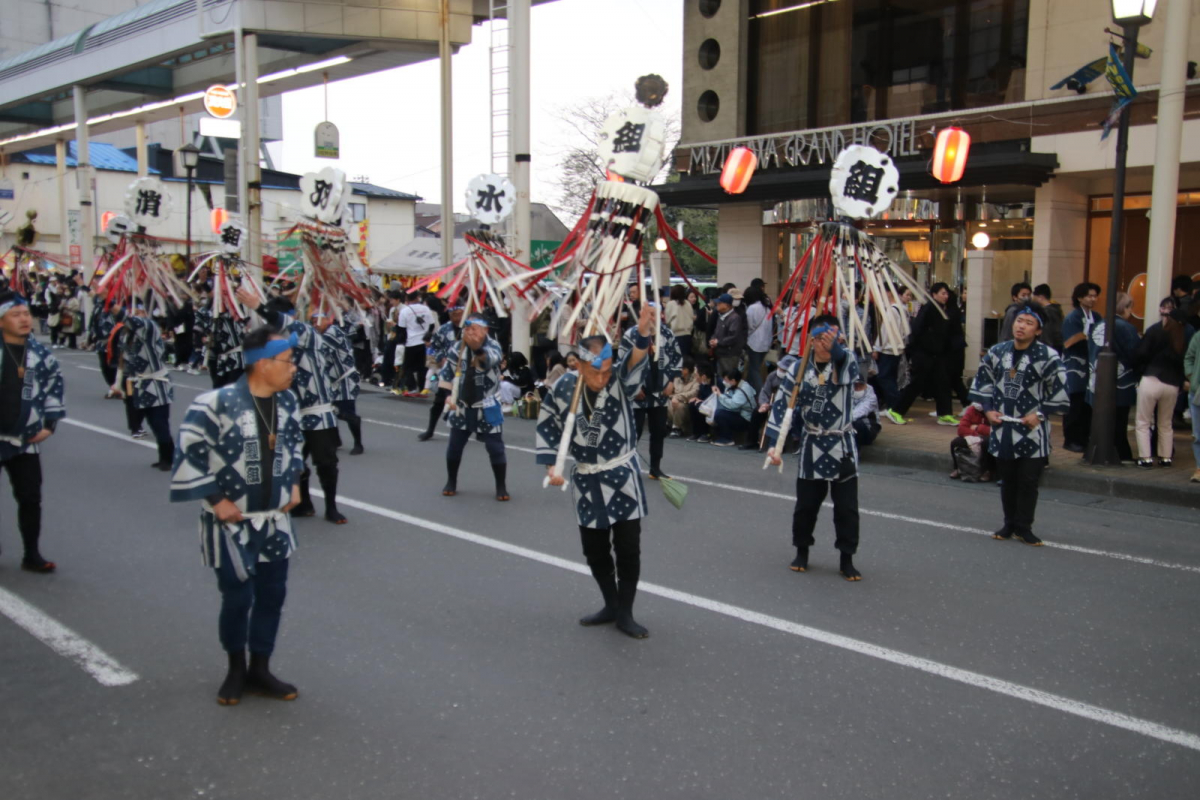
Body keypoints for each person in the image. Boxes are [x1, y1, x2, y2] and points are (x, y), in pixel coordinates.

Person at [171, 326, 305, 706]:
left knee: (272, 595)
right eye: (287, 360)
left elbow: (294, 446)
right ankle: (235, 667)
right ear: (262, 364)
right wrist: (216, 499)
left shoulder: (288, 403)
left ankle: (260, 667)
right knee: (237, 597)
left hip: (274, 520)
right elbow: (189, 454)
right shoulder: (214, 403)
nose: (293, 368)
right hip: (230, 522)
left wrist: (294, 480)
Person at [536, 303, 656, 639]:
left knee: (629, 548)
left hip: (621, 475)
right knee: (595, 550)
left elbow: (634, 363)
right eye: (595, 371)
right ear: (578, 363)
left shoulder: (618, 381)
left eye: (606, 370)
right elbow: (548, 428)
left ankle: (626, 612)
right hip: (587, 479)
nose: (602, 378)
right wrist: (552, 466)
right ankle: (611, 604)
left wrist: (644, 332)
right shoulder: (563, 389)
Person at [766, 315, 863, 581]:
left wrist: (836, 349)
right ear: (810, 340)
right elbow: (782, 406)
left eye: (829, 338)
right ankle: (802, 550)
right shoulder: (799, 369)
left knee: (846, 508)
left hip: (841, 443)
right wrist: (775, 445)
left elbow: (843, 362)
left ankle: (846, 557)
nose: (823, 344)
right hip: (812, 443)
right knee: (806, 506)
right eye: (819, 338)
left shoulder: (846, 360)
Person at [239, 288, 347, 524]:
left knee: (326, 463)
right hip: (289, 413)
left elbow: (279, 321)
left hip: (317, 410)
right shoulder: (273, 346)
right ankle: (304, 503)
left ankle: (331, 507)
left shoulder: (305, 333)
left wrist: (258, 306)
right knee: (292, 461)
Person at [969, 306, 1068, 546]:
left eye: (1028, 323)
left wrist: (1041, 413)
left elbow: (1060, 390)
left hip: (1033, 429)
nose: (1021, 326)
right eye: (1019, 321)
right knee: (1007, 479)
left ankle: (1025, 526)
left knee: (1028, 480)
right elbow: (983, 382)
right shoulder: (996, 352)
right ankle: (1009, 523)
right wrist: (988, 408)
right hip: (1003, 426)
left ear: (1038, 330)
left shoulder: (1048, 356)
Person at [0, 290, 64, 573]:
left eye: (26, 314)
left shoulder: (40, 354)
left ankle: (31, 553)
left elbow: (54, 387)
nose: (24, 319)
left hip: (25, 440)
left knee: (30, 498)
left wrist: (50, 424)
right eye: (16, 315)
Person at [440, 314, 509, 501]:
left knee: (495, 447)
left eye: (474, 329)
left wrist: (477, 349)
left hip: (487, 404)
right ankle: (451, 480)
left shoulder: (493, 345)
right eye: (467, 329)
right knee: (455, 446)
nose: (470, 332)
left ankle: (501, 486)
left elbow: (489, 361)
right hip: (462, 404)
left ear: (485, 330)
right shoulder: (457, 347)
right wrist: (448, 396)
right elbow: (447, 374)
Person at [885, 283, 958, 426]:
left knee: (943, 382)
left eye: (946, 293)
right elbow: (917, 329)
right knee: (916, 383)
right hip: (924, 354)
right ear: (934, 294)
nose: (946, 296)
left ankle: (945, 414)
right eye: (942, 293)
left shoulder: (941, 309)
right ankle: (896, 411)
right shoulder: (929, 308)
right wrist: (915, 350)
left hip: (936, 354)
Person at [622, 317, 681, 479]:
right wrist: (634, 385)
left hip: (660, 390)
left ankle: (655, 468)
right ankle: (626, 466)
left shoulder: (666, 333)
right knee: (635, 431)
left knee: (659, 431)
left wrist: (671, 381)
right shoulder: (631, 334)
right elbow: (623, 362)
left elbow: (676, 357)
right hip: (638, 391)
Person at [119, 303, 175, 471]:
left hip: (156, 384)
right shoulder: (127, 336)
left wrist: (108, 300)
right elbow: (124, 361)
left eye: (140, 311)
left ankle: (169, 458)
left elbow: (130, 320)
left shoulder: (150, 328)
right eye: (134, 312)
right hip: (139, 384)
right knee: (151, 422)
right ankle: (163, 456)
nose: (137, 315)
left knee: (160, 423)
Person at [1134, 303, 1191, 467]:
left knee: (1143, 422)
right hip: (1172, 384)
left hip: (1151, 379)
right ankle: (1165, 457)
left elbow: (1140, 354)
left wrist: (1139, 372)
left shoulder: (1156, 332)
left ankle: (1146, 458)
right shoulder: (1183, 338)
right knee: (1165, 423)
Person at [1086, 292, 1140, 464]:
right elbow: (1135, 354)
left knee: (1099, 419)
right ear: (1125, 308)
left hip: (1096, 380)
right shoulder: (1125, 327)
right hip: (1120, 383)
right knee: (1119, 421)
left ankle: (1098, 448)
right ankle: (1121, 453)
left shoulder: (1097, 325)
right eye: (1130, 307)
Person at [1060, 282, 1102, 452]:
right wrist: (1085, 338)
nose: (1093, 299)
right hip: (1075, 364)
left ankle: (1084, 438)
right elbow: (1070, 342)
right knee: (1074, 403)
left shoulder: (1097, 316)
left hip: (1090, 364)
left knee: (1087, 405)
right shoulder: (1073, 317)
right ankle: (1071, 439)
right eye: (1089, 295)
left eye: (1095, 295)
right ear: (1079, 298)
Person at [316, 312, 364, 456]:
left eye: (317, 320)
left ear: (327, 319)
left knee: (346, 413)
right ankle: (335, 441)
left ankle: (358, 443)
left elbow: (319, 352)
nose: (315, 324)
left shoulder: (332, 333)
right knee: (330, 410)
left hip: (346, 379)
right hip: (334, 380)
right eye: (313, 321)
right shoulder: (326, 333)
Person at [418, 305, 465, 441]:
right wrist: (440, 358)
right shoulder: (444, 329)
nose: (456, 317)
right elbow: (435, 346)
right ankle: (430, 430)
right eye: (453, 314)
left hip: (465, 369)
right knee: (439, 401)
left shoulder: (469, 329)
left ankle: (479, 430)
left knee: (471, 400)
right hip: (448, 370)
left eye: (459, 314)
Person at [742, 355, 798, 452]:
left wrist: (773, 406)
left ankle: (779, 445)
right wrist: (764, 404)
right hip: (769, 404)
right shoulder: (772, 376)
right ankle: (751, 442)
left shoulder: (794, 382)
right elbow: (764, 391)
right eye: (779, 368)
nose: (780, 370)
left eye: (783, 369)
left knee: (781, 417)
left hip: (785, 406)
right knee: (756, 413)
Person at [871, 286, 911, 411]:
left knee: (884, 377)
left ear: (888, 293)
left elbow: (885, 332)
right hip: (897, 348)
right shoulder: (902, 309)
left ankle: (895, 406)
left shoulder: (892, 310)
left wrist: (877, 348)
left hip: (888, 348)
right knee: (890, 378)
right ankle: (893, 406)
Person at [396, 291, 435, 395]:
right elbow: (432, 325)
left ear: (407, 299)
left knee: (407, 367)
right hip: (424, 343)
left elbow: (401, 329)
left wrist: (402, 341)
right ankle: (422, 389)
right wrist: (427, 337)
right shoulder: (426, 309)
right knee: (422, 367)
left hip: (411, 342)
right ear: (418, 297)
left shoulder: (405, 311)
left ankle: (411, 387)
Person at [711, 367, 756, 446]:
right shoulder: (733, 385)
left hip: (746, 418)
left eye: (726, 380)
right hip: (738, 412)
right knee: (715, 412)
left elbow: (733, 405)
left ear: (733, 380)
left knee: (719, 414)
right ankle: (721, 436)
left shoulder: (743, 389)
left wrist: (719, 395)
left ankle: (727, 438)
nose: (724, 382)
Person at [948, 405, 993, 483]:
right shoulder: (971, 409)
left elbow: (993, 431)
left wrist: (977, 428)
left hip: (987, 437)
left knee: (986, 443)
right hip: (973, 436)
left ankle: (987, 470)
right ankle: (957, 468)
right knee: (955, 442)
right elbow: (961, 429)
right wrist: (977, 433)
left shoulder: (994, 411)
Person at [709, 293, 745, 381]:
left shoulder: (734, 318)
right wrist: (712, 340)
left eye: (719, 303)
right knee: (720, 379)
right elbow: (716, 332)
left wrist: (718, 342)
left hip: (729, 355)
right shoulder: (721, 316)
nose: (717, 304)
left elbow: (733, 337)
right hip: (720, 354)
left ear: (726, 305)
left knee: (728, 379)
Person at [743, 286, 772, 394]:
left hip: (754, 343)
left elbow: (749, 326)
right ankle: (750, 391)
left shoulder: (752, 308)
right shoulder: (766, 307)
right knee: (754, 369)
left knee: (754, 370)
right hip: (765, 343)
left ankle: (762, 394)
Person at [1184, 324, 1200, 482]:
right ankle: (1199, 467)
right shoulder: (1198, 336)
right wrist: (1191, 377)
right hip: (1198, 392)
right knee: (1198, 434)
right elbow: (1189, 357)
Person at [668, 356, 699, 437]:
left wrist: (677, 397)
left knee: (680, 406)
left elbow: (693, 393)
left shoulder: (696, 378)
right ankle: (668, 425)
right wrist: (673, 397)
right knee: (665, 403)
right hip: (674, 401)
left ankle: (676, 428)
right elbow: (671, 392)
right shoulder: (677, 376)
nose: (679, 369)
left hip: (687, 404)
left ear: (687, 370)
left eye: (681, 368)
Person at [686, 363, 717, 443]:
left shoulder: (717, 382)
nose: (695, 377)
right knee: (692, 404)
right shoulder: (703, 384)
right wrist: (696, 398)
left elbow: (716, 399)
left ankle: (706, 433)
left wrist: (702, 401)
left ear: (703, 376)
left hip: (714, 407)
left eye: (696, 375)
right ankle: (696, 432)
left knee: (700, 406)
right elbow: (701, 396)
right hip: (704, 403)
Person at [851, 369, 880, 448]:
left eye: (860, 385)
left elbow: (861, 411)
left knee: (858, 424)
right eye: (855, 386)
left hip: (869, 428)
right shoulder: (846, 393)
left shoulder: (871, 397)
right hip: (849, 425)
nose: (858, 388)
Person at [665, 284, 695, 357]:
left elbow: (667, 321)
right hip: (688, 335)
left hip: (676, 336)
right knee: (686, 360)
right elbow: (692, 317)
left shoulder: (671, 304)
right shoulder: (688, 303)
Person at [1032, 284, 1065, 353]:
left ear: (1040, 297)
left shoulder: (1046, 312)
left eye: (1034, 297)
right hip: (1057, 346)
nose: (1033, 299)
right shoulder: (1056, 309)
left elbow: (1046, 333)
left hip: (1049, 348)